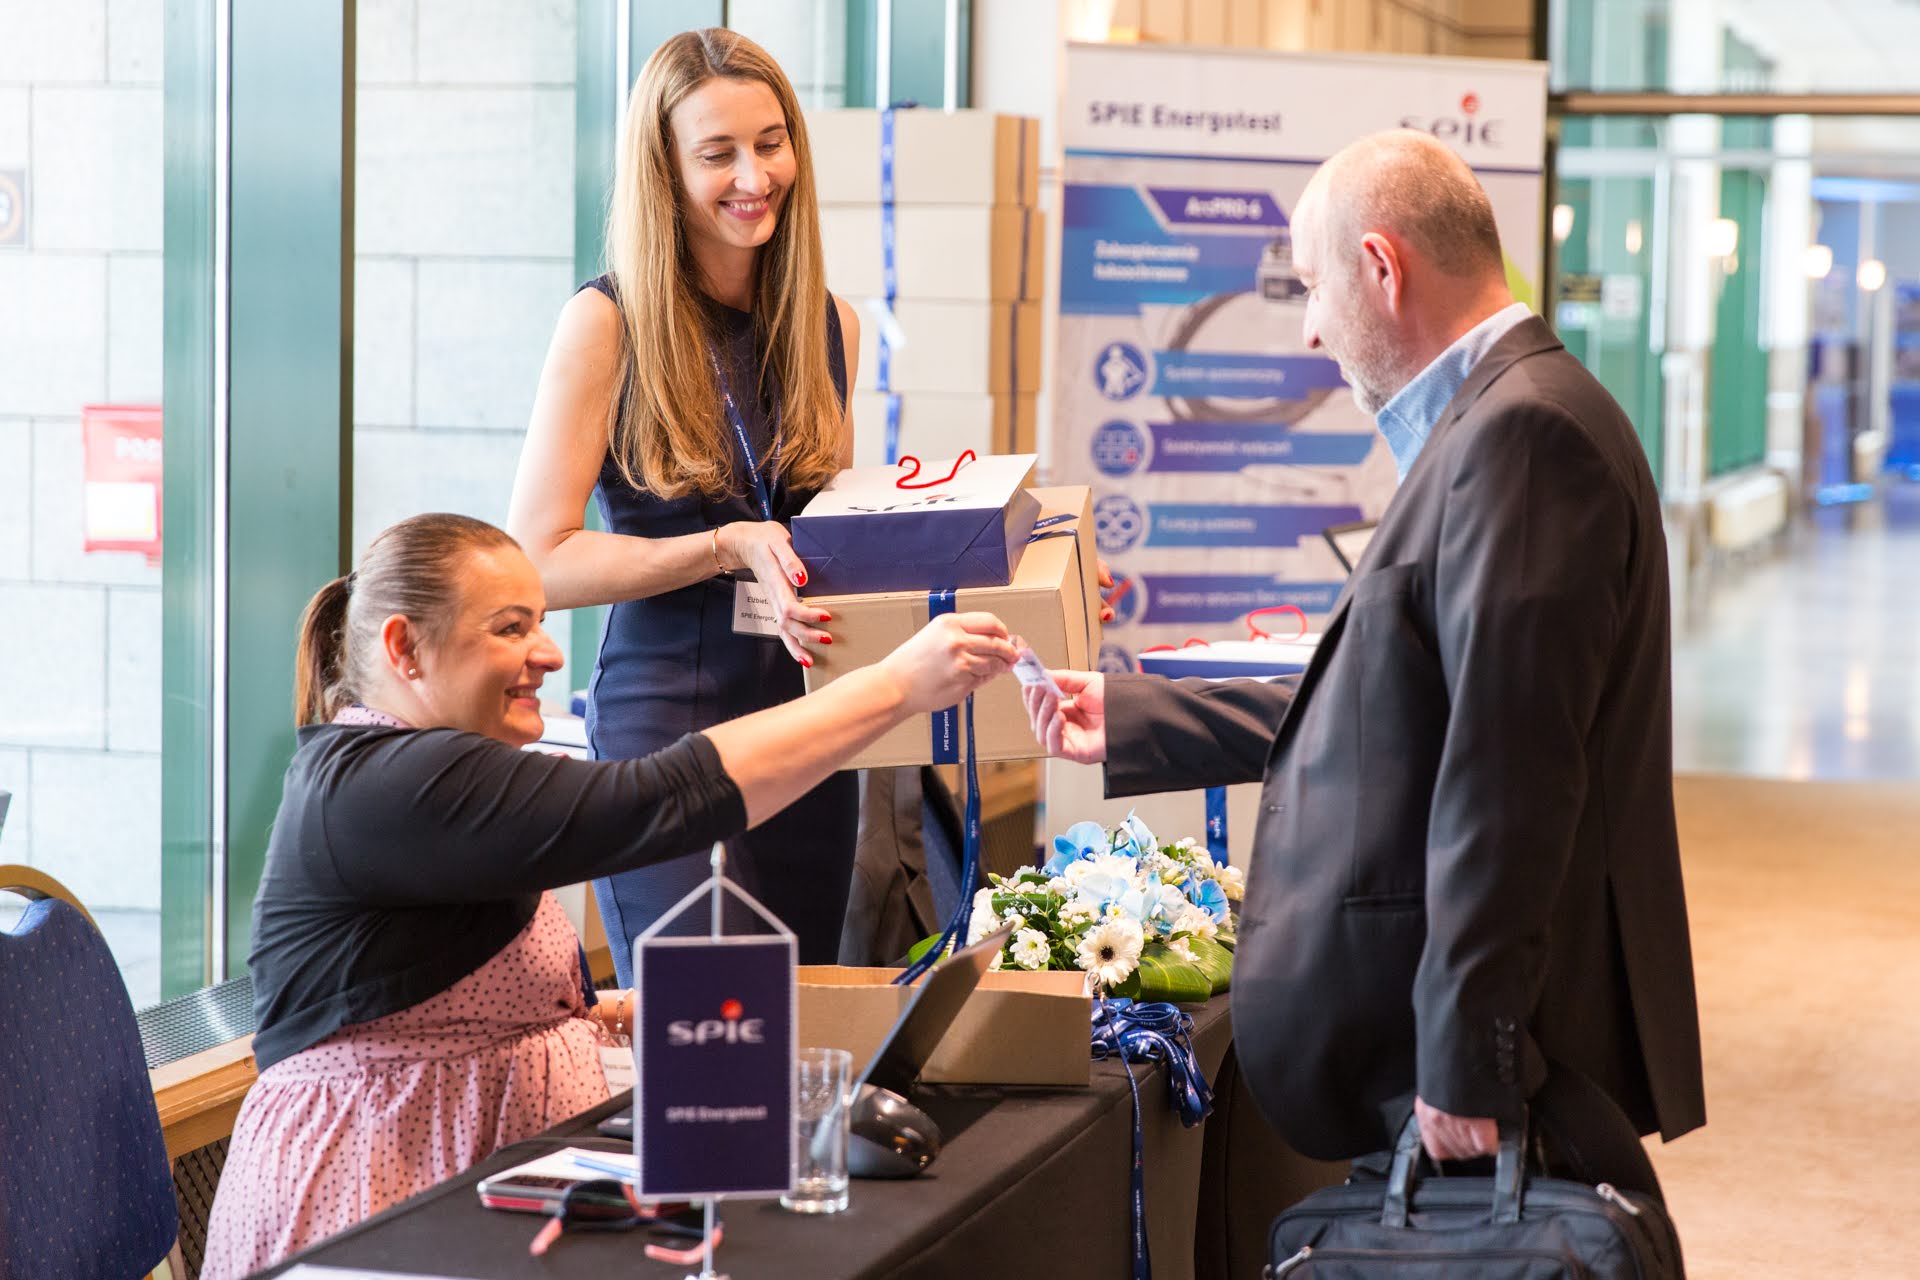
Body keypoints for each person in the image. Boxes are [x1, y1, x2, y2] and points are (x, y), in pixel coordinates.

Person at [1024, 130, 1705, 1180]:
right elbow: (1398, 700)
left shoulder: (1525, 437)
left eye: (1313, 286)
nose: (1309, 329)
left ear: (1383, 267)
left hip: (1503, 1052)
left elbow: (1511, 771)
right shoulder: (1496, 421)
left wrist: (1469, 1056)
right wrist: (1134, 714)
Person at [199, 513, 1015, 1276]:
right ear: (404, 648)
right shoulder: (388, 783)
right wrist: (893, 687)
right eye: (511, 629)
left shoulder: (416, 770)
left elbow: (432, 998)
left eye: (539, 623)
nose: (549, 655)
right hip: (372, 1200)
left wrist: (606, 1016)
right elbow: (661, 799)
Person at [507, 28, 860, 978]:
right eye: (717, 154)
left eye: (771, 143)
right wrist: (723, 545)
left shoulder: (830, 323)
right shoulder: (607, 323)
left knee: (800, 1017)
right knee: (707, 1025)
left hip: (809, 721)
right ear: (664, 169)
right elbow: (537, 559)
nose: (754, 176)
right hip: (667, 731)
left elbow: (833, 542)